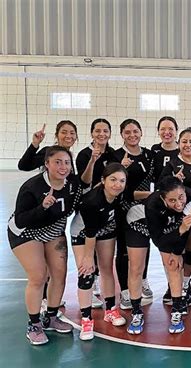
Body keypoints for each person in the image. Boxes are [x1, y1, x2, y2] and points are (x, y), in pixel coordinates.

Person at [8, 146, 82, 345]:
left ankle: (50, 317)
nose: (63, 166)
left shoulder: (72, 184)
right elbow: (22, 219)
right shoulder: (32, 187)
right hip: (26, 231)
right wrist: (42, 207)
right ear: (46, 164)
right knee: (39, 276)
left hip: (54, 229)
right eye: (57, 162)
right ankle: (34, 324)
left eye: (66, 162)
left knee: (59, 274)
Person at [70, 163, 128, 340]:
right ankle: (86, 319)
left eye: (121, 181)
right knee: (86, 272)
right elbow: (90, 233)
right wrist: (88, 258)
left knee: (106, 268)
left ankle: (110, 310)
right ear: (103, 181)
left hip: (106, 230)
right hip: (83, 233)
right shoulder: (92, 202)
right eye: (112, 180)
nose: (117, 184)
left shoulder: (119, 195)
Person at [145, 177, 191, 334]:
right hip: (167, 232)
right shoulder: (152, 205)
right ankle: (176, 310)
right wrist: (176, 249)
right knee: (172, 265)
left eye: (181, 197)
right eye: (172, 200)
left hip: (187, 227)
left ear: (185, 192)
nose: (178, 203)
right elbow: (158, 240)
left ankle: (185, 285)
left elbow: (188, 230)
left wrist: (178, 250)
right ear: (163, 198)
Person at [159, 127, 191, 306]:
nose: (188, 145)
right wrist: (174, 179)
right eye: (184, 141)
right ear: (179, 144)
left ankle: (185, 285)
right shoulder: (172, 164)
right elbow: (161, 189)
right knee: (176, 250)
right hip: (176, 215)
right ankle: (173, 286)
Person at [76, 118, 117, 308]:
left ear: (110, 133)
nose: (102, 134)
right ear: (92, 133)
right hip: (89, 205)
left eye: (105, 131)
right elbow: (85, 182)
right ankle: (89, 286)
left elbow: (117, 180)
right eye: (98, 131)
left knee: (105, 259)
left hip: (107, 206)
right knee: (88, 254)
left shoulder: (113, 154)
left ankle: (105, 298)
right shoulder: (84, 154)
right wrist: (93, 161)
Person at [114, 119, 155, 310]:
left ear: (141, 132)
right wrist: (121, 167)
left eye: (135, 131)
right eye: (127, 132)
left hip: (144, 209)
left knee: (143, 246)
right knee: (123, 251)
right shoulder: (116, 156)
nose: (132, 135)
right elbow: (117, 188)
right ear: (122, 134)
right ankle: (124, 291)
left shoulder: (148, 154)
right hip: (123, 208)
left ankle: (143, 279)